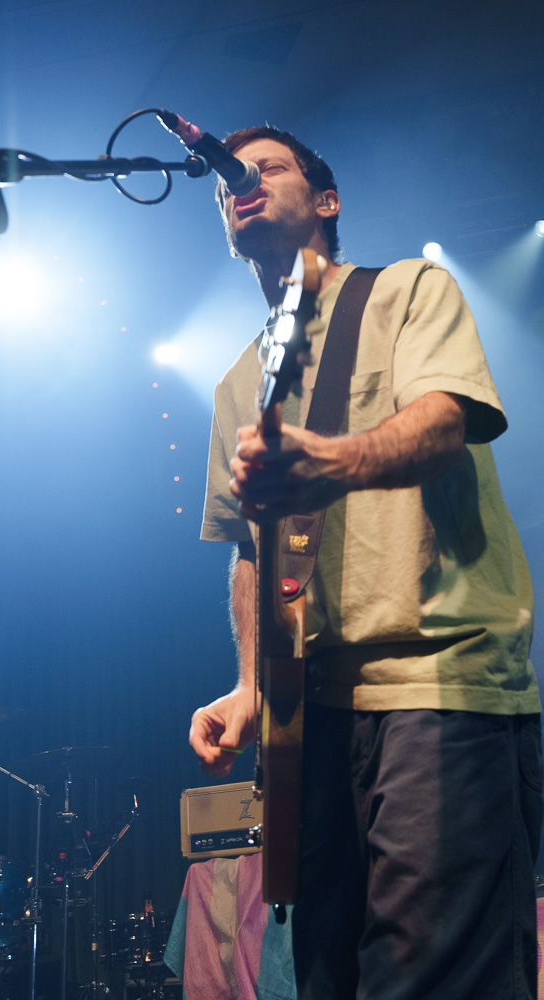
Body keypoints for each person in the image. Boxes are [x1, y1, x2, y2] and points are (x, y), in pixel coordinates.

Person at [188, 126, 543, 1000]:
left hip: (433, 682)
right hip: (309, 713)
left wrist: (332, 462)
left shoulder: (404, 290)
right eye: (232, 176)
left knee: (429, 974)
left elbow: (446, 419)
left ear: (325, 199)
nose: (244, 179)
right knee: (328, 976)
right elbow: (246, 545)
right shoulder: (238, 375)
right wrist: (248, 683)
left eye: (269, 166)